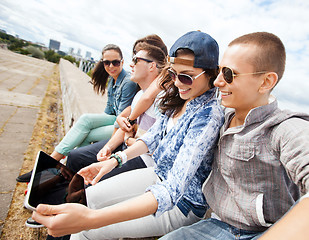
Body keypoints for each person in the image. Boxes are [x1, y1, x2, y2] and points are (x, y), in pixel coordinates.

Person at [32, 30, 225, 239]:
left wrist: (91, 219)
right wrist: (115, 160)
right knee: (85, 198)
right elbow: (153, 137)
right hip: (156, 175)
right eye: (172, 74)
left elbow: (172, 189)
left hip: (180, 203)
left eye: (186, 76)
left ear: (211, 74)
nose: (177, 82)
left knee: (83, 230)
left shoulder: (209, 116)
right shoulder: (178, 95)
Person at [160, 32, 309, 240]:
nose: (218, 82)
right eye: (219, 71)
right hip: (218, 225)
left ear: (266, 82)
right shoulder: (222, 115)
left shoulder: (283, 128)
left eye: (229, 74)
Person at [16, 44, 138, 182]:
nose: (111, 66)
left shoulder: (127, 82)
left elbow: (120, 117)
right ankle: (65, 171)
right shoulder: (113, 80)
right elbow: (108, 111)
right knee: (85, 124)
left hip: (122, 127)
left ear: (122, 62)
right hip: (114, 120)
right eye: (106, 62)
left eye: (115, 62)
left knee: (85, 129)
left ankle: (51, 165)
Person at [65, 41, 167, 176]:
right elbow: (124, 127)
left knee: (93, 180)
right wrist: (108, 147)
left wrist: (127, 140)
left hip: (143, 159)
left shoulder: (162, 101)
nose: (131, 64)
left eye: (136, 60)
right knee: (75, 156)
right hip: (127, 148)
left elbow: (158, 146)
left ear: (152, 66)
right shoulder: (139, 95)